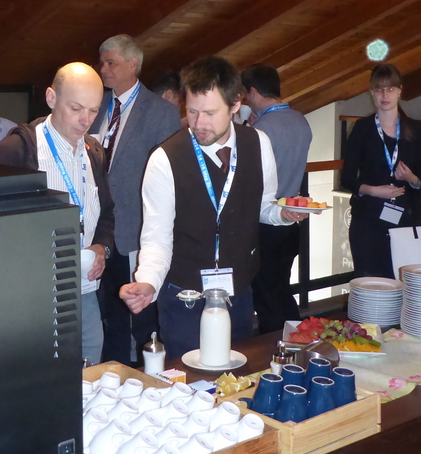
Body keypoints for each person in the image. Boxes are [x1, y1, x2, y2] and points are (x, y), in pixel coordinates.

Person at [120, 56, 307, 360]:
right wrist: (148, 281)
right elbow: (156, 237)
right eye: (192, 111)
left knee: (236, 377)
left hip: (238, 294)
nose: (199, 123)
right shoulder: (164, 159)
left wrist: (281, 215)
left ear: (235, 104)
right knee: (188, 380)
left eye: (209, 113)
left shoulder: (258, 143)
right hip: (184, 297)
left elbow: (263, 205)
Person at [0, 63, 114, 365]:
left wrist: (102, 247)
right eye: (76, 108)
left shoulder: (94, 150)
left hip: (84, 288)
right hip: (33, 295)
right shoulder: (17, 150)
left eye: (93, 111)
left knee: (91, 365)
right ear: (51, 98)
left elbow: (107, 212)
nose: (85, 120)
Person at [90, 35, 180, 365]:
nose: (103, 69)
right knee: (109, 312)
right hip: (99, 229)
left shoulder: (161, 112)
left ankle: (149, 374)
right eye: (102, 62)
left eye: (110, 62)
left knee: (142, 316)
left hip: (137, 229)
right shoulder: (95, 106)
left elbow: (168, 176)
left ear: (132, 65)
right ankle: (115, 373)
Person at [340, 63, 421, 279]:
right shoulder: (362, 128)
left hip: (405, 221)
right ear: (372, 93)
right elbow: (347, 178)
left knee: (404, 284)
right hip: (368, 221)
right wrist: (373, 190)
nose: (384, 95)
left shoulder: (415, 129)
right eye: (379, 89)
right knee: (370, 284)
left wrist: (411, 178)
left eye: (390, 89)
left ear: (400, 91)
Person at [241, 63, 313, 333]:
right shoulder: (301, 121)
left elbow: (248, 178)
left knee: (266, 296)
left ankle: (277, 346)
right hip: (292, 220)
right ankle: (298, 338)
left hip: (265, 222)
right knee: (282, 288)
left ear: (253, 91)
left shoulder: (261, 130)